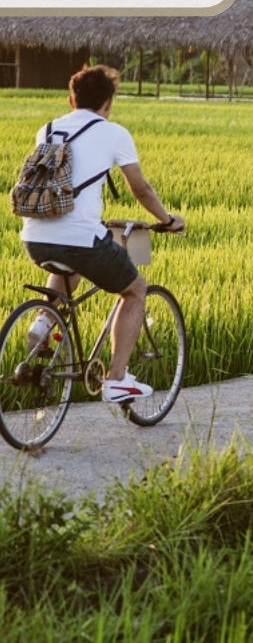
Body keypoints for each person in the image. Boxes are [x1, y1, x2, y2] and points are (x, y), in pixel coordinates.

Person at [20, 65, 186, 402]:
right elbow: (140, 188)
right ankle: (117, 379)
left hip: (34, 238)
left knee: (71, 259)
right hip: (79, 238)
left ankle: (42, 322)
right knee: (135, 289)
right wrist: (167, 220)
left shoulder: (47, 129)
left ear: (71, 100)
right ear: (108, 103)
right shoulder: (114, 133)